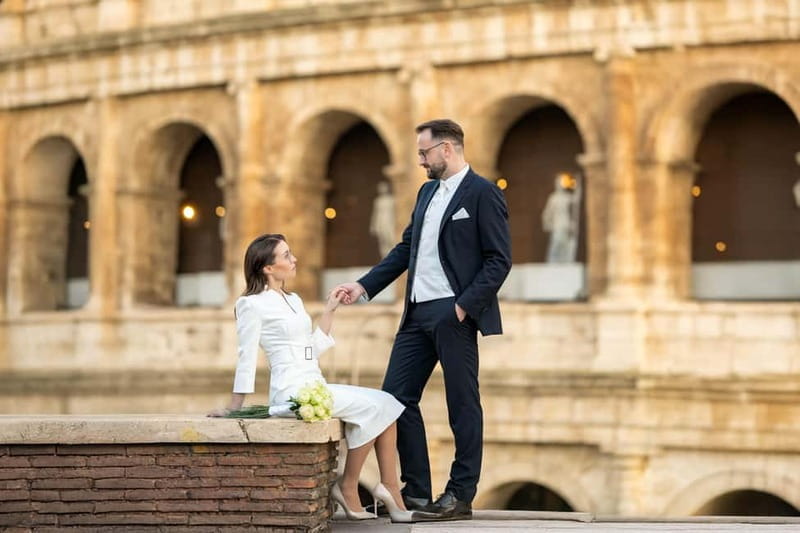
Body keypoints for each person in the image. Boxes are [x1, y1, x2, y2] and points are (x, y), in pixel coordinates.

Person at [336, 119, 512, 522]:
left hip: (453, 312)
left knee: (462, 404)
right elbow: (406, 248)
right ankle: (415, 491)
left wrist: (464, 306)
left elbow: (499, 259)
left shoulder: (483, 193)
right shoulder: (427, 191)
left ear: (447, 149)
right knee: (394, 400)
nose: (420, 160)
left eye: (424, 152)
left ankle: (460, 494)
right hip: (416, 311)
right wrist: (364, 286)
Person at [209, 234, 413, 523]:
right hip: (292, 391)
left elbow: (310, 351)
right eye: (286, 255)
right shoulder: (251, 305)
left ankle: (389, 487)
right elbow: (246, 358)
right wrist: (234, 407)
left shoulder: (293, 299)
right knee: (375, 408)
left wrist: (330, 309)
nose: (294, 260)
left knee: (388, 403)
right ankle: (350, 485)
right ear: (268, 267)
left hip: (313, 382)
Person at [541, 174, 580, 263]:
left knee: (565, 244)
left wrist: (577, 187)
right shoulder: (553, 198)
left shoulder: (566, 196)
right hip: (557, 224)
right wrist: (547, 224)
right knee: (556, 244)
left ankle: (565, 261)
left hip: (566, 223)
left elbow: (576, 200)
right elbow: (547, 213)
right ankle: (553, 262)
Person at [369, 181, 396, 258]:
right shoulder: (377, 201)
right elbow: (375, 214)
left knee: (391, 238)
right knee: (382, 241)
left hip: (390, 221)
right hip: (381, 222)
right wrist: (373, 226)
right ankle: (385, 257)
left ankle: (393, 257)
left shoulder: (391, 199)